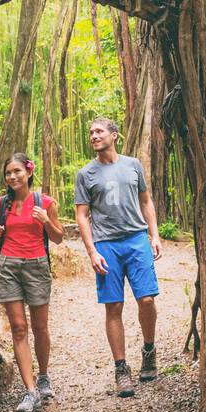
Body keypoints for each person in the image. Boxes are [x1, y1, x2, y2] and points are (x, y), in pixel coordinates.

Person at [74, 117, 163, 397]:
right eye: (91, 132)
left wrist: (155, 235)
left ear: (114, 135)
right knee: (113, 307)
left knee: (146, 298)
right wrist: (92, 251)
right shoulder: (85, 174)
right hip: (106, 244)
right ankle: (121, 368)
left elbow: (146, 201)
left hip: (136, 240)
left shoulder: (133, 165)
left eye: (99, 131)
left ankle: (148, 350)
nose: (93, 136)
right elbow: (82, 216)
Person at [0, 152, 64, 412]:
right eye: (8, 173)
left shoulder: (45, 203)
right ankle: (30, 391)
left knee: (40, 327)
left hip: (37, 266)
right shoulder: (0, 205)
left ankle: (43, 377)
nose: (12, 176)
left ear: (29, 172)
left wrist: (45, 221)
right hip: (8, 266)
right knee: (19, 328)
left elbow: (58, 238)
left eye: (17, 171)